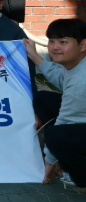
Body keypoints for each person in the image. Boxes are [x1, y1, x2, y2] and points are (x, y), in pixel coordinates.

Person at [23, 19, 86, 190]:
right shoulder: (75, 64)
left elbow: (67, 120)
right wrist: (34, 54)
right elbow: (60, 77)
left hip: (78, 119)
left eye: (63, 42)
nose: (55, 47)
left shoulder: (80, 81)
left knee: (55, 136)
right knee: (43, 98)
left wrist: (49, 161)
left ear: (82, 45)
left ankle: (80, 177)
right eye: (51, 41)